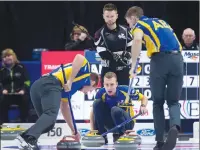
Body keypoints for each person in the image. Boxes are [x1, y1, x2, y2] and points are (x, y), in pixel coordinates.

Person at [125, 6, 184, 150]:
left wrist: (133, 66)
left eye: (128, 23)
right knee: (173, 101)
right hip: (178, 59)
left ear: (133, 18)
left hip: (160, 61)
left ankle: (160, 141)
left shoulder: (139, 25)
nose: (129, 26)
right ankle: (175, 126)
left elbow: (138, 40)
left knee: (158, 102)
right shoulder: (162, 22)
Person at [15, 54, 99, 149]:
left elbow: (64, 108)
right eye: (92, 89)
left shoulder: (69, 90)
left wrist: (74, 130)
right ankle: (29, 138)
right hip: (51, 83)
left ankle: (24, 137)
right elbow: (79, 57)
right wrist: (70, 81)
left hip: (37, 87)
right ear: (93, 82)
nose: (88, 92)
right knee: (50, 115)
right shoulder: (86, 72)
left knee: (48, 124)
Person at [90, 72, 148, 143]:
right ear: (103, 84)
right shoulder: (101, 93)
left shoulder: (126, 90)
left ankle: (122, 134)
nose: (109, 88)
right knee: (96, 103)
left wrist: (143, 106)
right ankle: (102, 136)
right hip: (110, 124)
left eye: (112, 84)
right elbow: (93, 111)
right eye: (106, 85)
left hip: (127, 122)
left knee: (115, 110)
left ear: (116, 84)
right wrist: (92, 130)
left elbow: (144, 98)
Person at [94, 3, 133, 87]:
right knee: (106, 97)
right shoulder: (99, 33)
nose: (110, 19)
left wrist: (128, 54)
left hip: (123, 70)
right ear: (103, 16)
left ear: (117, 16)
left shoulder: (126, 30)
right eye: (107, 16)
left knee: (124, 95)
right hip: (108, 70)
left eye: (112, 16)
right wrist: (114, 58)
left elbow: (132, 46)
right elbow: (102, 53)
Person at [0, 48, 30, 124]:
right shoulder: (2, 70)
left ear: (14, 56)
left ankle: (24, 122)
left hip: (19, 94)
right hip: (6, 95)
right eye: (5, 56)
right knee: (1, 101)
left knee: (25, 100)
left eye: (9, 55)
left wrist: (23, 90)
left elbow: (27, 82)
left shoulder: (21, 68)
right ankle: (3, 123)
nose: (7, 58)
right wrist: (2, 90)